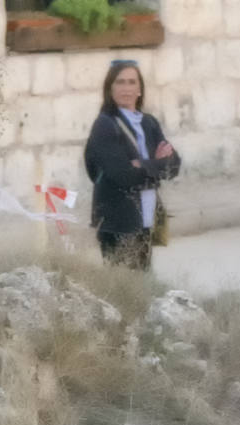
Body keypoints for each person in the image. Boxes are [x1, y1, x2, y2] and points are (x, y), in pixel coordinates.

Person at [83, 60, 180, 270]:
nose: (126, 88)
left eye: (131, 82)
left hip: (146, 220)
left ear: (140, 89)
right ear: (110, 88)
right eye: (120, 82)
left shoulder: (149, 123)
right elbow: (123, 175)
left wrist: (143, 165)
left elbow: (174, 166)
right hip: (118, 220)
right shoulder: (105, 125)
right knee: (124, 289)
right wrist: (156, 164)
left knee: (143, 286)